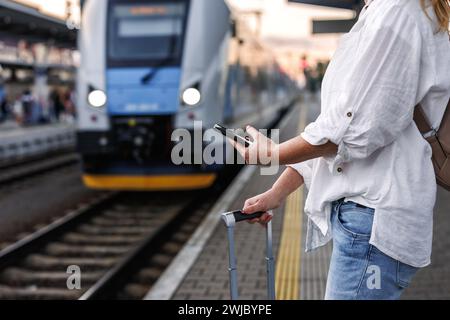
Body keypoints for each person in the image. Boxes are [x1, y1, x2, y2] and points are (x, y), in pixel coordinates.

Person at [230, 0, 450, 300]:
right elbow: (335, 126)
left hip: (373, 223)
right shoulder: (384, 10)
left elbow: (355, 130)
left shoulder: (397, 10)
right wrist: (277, 192)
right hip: (367, 220)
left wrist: (275, 154)